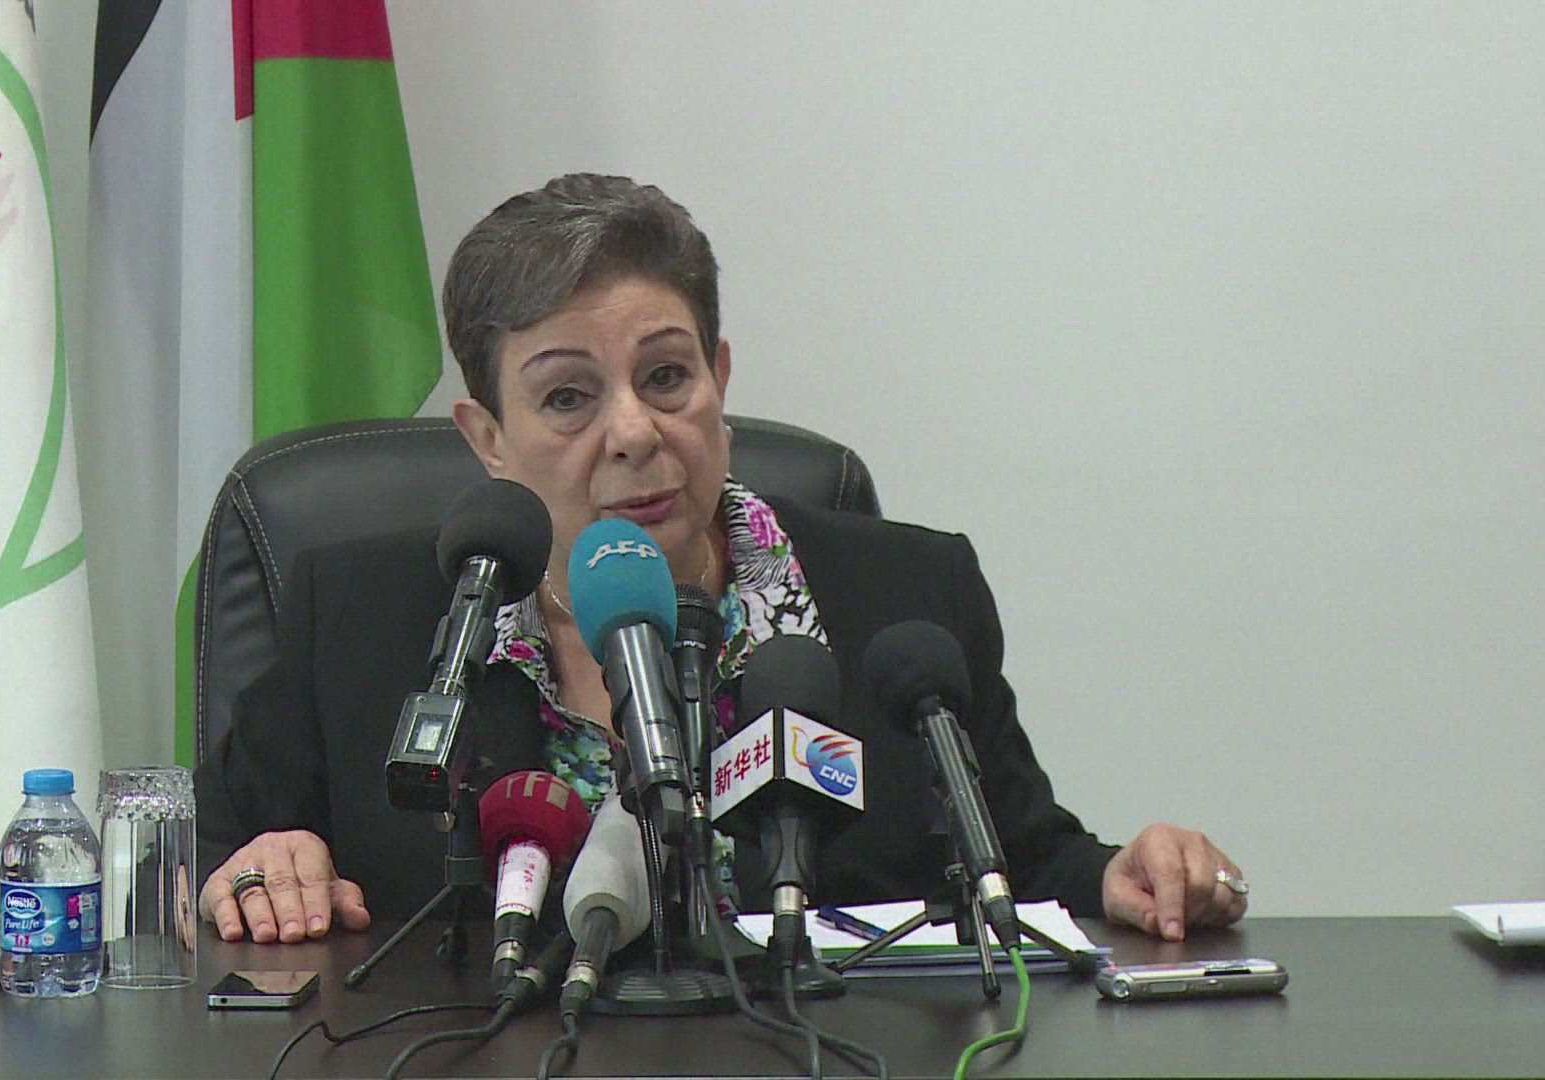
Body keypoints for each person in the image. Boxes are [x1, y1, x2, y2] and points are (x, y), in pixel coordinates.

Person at [194, 173, 1249, 947]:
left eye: (666, 377)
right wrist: (254, 870)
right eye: (567, 396)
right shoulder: (359, 615)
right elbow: (205, 850)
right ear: (488, 438)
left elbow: (1021, 858)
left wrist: (1125, 875)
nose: (633, 432)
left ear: (720, 379)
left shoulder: (906, 600)